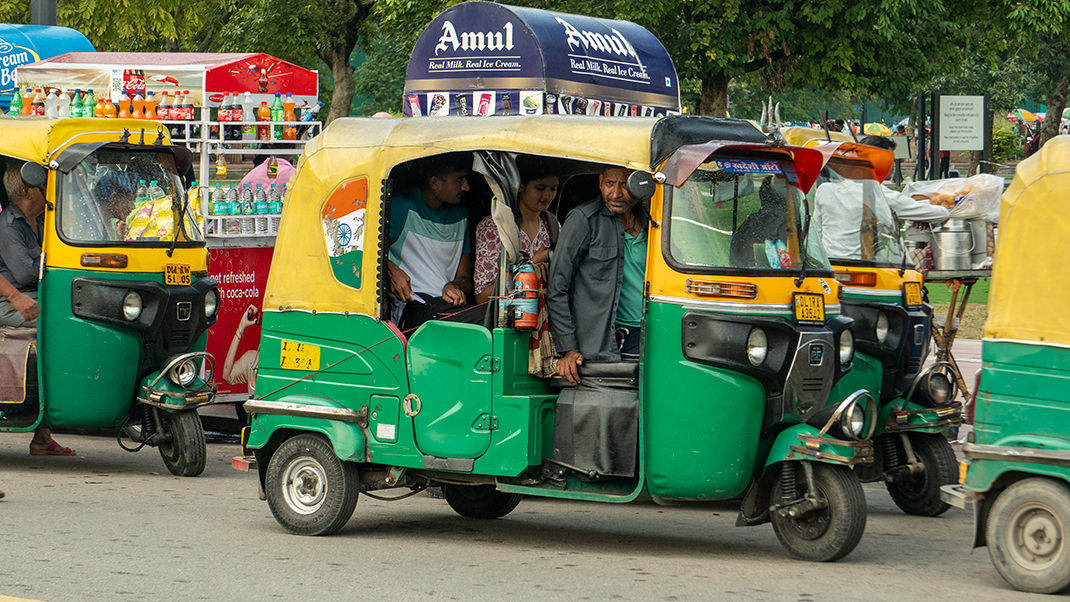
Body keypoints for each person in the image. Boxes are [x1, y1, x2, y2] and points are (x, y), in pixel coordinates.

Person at [547, 166, 647, 385]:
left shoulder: (652, 221)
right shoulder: (584, 219)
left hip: (651, 333)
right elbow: (557, 287)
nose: (616, 194)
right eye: (610, 184)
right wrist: (569, 348)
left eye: (625, 185)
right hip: (607, 340)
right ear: (600, 182)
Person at [0, 162, 74, 456]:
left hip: (36, 297)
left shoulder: (42, 221)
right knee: (65, 323)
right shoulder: (9, 226)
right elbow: (27, 274)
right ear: (28, 190)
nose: (49, 193)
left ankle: (42, 437)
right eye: (45, 187)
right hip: (10, 303)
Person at [812, 135, 949, 261]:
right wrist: (920, 214)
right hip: (867, 269)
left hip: (830, 266)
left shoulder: (824, 190)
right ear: (878, 160)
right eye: (890, 160)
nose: (893, 165)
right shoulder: (882, 194)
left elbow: (817, 234)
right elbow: (941, 214)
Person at [387, 153, 477, 331]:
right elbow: (363, 250)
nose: (466, 187)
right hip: (411, 307)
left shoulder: (461, 216)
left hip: (445, 306)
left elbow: (465, 278)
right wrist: (390, 269)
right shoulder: (401, 207)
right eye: (459, 179)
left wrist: (454, 285)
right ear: (434, 182)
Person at [473, 157, 560, 304]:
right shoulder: (494, 227)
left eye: (553, 189)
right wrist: (531, 265)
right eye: (540, 188)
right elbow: (482, 297)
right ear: (521, 186)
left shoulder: (553, 226)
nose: (547, 195)